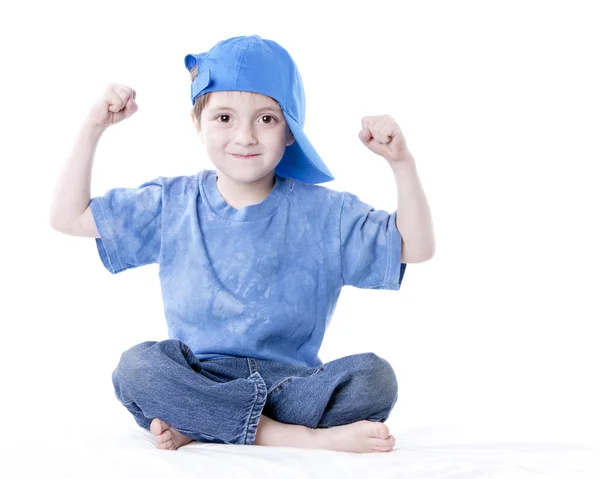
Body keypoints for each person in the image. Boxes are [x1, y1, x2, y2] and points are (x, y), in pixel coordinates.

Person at [49, 35, 435, 454]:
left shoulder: (327, 214)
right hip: (198, 377)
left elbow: (415, 248)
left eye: (267, 119)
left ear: (291, 130)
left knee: (375, 378)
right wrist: (93, 127)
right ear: (198, 123)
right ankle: (291, 438)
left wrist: (402, 163)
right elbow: (69, 218)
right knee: (137, 369)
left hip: (292, 388)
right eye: (224, 118)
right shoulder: (172, 204)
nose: (245, 137)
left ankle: (204, 425)